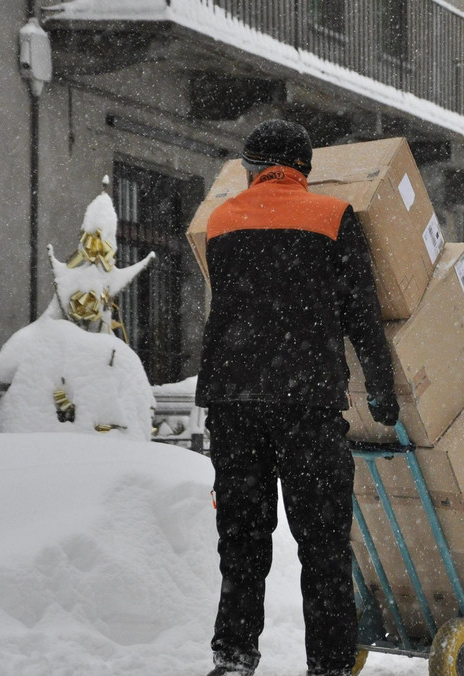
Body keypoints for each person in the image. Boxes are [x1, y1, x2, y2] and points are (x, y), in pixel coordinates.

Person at [196, 119, 400, 676]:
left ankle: (234, 657)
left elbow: (238, 306)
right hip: (307, 404)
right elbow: (361, 311)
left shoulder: (219, 221)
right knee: (323, 545)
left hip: (234, 404)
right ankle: (329, 666)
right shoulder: (333, 218)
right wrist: (381, 389)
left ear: (252, 167)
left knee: (241, 542)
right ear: (303, 170)